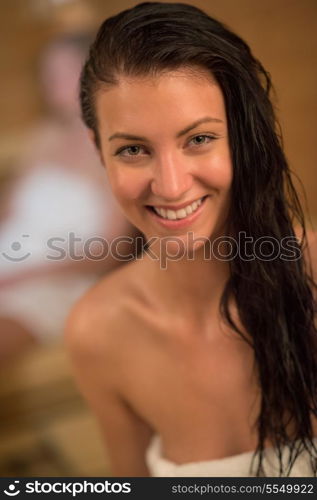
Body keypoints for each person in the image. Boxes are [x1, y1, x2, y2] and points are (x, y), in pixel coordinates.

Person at [65, 2, 317, 477]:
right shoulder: (97, 332)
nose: (172, 185)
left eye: (198, 139)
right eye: (133, 149)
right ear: (100, 152)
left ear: (243, 136)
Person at [0, 34, 133, 363]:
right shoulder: (43, 138)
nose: (53, 84)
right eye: (49, 74)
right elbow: (8, 211)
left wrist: (29, 273)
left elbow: (112, 247)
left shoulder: (117, 146)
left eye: (64, 72)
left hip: (58, 278)